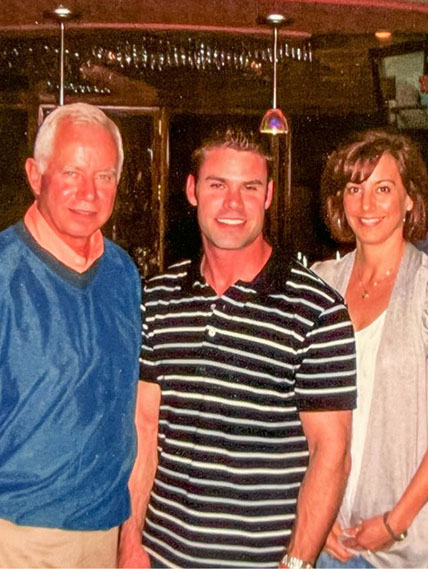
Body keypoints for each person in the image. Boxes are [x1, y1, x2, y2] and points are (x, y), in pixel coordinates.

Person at [119, 127, 357, 569]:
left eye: (250, 188)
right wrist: (130, 543)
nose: (233, 204)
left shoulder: (317, 309)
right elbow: (144, 430)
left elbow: (332, 453)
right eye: (217, 185)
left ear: (267, 196)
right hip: (160, 557)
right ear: (192, 191)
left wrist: (299, 563)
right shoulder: (157, 297)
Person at [0, 102, 141, 567]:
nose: (88, 192)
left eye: (104, 176)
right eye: (71, 172)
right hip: (16, 533)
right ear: (34, 174)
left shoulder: (122, 273)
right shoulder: (4, 272)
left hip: (103, 530)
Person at [312, 128, 428, 569]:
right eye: (354, 189)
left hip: (405, 545)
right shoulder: (320, 285)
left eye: (383, 189)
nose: (367, 205)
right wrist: (315, 515)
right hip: (327, 538)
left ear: (409, 199)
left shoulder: (423, 287)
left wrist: (396, 521)